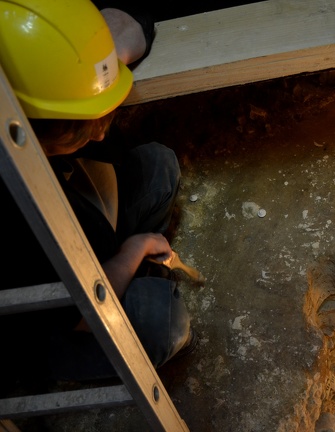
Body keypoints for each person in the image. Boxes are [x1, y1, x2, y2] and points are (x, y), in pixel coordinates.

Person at [0, 0, 195, 387]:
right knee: (161, 323)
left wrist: (105, 62)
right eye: (82, 127)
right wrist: (131, 252)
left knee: (158, 167)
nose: (102, 133)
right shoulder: (13, 215)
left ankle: (129, 273)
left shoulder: (37, 52)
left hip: (78, 220)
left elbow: (135, 18)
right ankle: (132, 278)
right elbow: (81, 315)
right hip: (43, 323)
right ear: (25, 123)